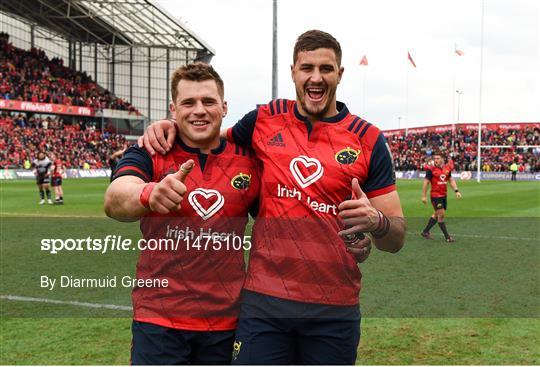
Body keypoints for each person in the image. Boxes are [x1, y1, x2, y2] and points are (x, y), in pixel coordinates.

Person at [139, 30, 405, 364]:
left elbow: (395, 237)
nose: (316, 77)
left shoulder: (368, 139)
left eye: (326, 68)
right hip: (264, 305)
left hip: (333, 310)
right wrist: (168, 126)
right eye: (307, 68)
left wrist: (377, 223)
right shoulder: (265, 118)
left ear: (340, 74)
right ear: (293, 71)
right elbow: (209, 136)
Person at [421, 153, 462, 242]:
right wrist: (424, 196)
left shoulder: (447, 168)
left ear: (442, 159)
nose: (436, 160)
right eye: (435, 158)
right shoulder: (430, 170)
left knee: (436, 214)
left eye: (438, 158)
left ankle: (425, 231)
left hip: (444, 195)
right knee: (441, 215)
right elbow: (426, 183)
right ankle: (447, 237)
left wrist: (456, 191)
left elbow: (450, 180)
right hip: (435, 196)